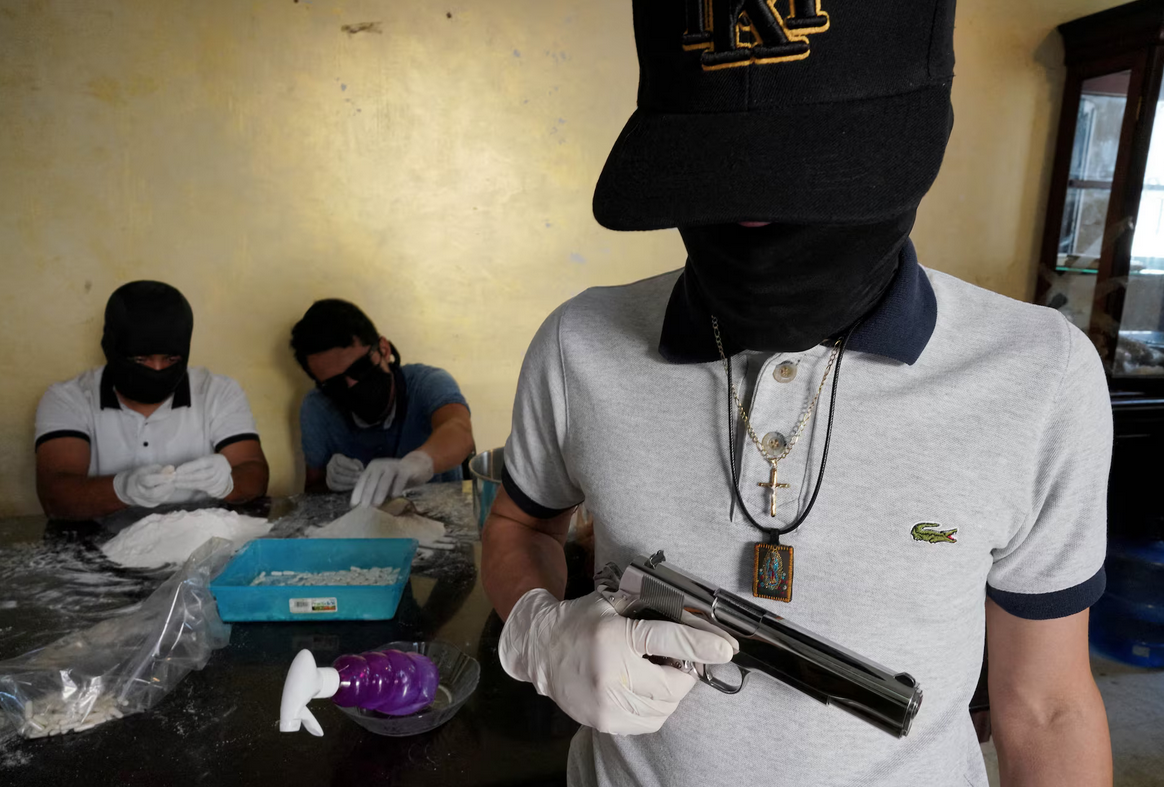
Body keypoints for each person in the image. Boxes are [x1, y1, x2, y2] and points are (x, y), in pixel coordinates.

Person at [483, 2, 1113, 786]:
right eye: (718, 181)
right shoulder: (578, 344)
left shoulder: (1043, 375)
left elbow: (1049, 707)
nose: (761, 220)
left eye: (814, 177)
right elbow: (518, 523)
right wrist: (538, 628)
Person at [35, 281, 270, 520]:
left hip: (204, 535)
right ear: (112, 348)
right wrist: (121, 489)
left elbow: (255, 474)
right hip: (101, 539)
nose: (157, 369)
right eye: (141, 359)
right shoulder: (69, 398)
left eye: (170, 358)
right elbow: (55, 497)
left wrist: (228, 483)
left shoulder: (217, 392)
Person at [290, 299, 474, 508]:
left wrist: (418, 463)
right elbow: (312, 491)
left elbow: (460, 431)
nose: (352, 384)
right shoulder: (317, 408)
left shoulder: (426, 383)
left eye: (360, 368)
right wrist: (330, 483)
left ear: (384, 350)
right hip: (362, 525)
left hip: (441, 517)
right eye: (335, 384)